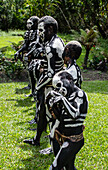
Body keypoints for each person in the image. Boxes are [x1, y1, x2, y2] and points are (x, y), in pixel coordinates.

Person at [23, 16, 65, 146]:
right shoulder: (58, 41)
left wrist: (37, 87)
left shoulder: (50, 46)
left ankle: (54, 146)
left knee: (51, 115)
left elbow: (51, 73)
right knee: (42, 113)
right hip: (55, 83)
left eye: (41, 30)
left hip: (52, 85)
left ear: (50, 29)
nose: (39, 34)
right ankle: (37, 139)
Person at [46, 71, 88, 170]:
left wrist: (62, 100)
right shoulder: (66, 97)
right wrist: (52, 105)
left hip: (73, 140)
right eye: (57, 87)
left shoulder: (79, 94)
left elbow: (75, 114)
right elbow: (60, 118)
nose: (59, 89)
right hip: (63, 137)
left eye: (60, 85)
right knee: (69, 167)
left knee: (55, 167)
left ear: (69, 80)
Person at [14, 16, 39, 92]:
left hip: (36, 54)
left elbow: (37, 44)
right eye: (28, 23)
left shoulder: (39, 33)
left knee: (36, 71)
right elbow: (26, 44)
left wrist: (29, 53)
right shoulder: (28, 33)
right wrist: (19, 51)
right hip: (29, 54)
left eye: (30, 23)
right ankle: (31, 86)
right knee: (29, 70)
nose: (28, 25)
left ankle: (37, 87)